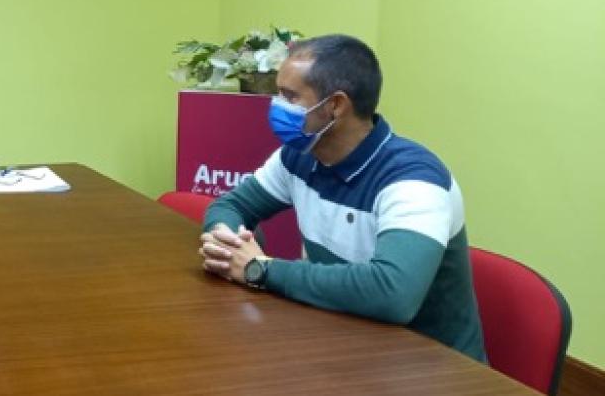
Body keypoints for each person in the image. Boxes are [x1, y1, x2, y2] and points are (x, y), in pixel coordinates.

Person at [198, 35, 485, 361]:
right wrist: (227, 248)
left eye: (290, 97)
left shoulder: (414, 179)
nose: (276, 105)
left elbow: (393, 293)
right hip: (341, 340)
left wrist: (260, 269)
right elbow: (231, 205)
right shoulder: (299, 156)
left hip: (429, 367)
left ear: (335, 105)